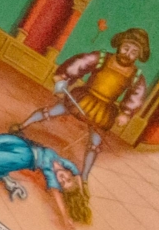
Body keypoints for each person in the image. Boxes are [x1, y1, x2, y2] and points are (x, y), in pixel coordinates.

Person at [20, 27, 152, 177]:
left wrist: (126, 113)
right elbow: (81, 63)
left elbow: (137, 95)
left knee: (95, 143)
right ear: (119, 44)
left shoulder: (136, 76)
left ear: (138, 55)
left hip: (104, 110)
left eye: (134, 52)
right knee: (52, 111)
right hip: (83, 97)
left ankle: (84, 175)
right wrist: (64, 77)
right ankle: (22, 125)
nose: (128, 54)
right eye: (126, 48)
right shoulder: (102, 58)